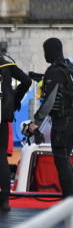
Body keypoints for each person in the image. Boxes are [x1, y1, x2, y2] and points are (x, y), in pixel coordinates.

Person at [27, 38, 73, 198]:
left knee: (62, 162)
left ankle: (68, 200)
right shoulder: (69, 68)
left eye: (45, 51)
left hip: (62, 124)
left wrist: (36, 122)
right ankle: (72, 198)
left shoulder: (54, 71)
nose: (44, 54)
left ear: (50, 51)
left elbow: (50, 100)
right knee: (66, 160)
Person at [0, 53, 32, 212]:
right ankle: (5, 199)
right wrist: (14, 99)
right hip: (2, 118)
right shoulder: (7, 66)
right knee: (1, 157)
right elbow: (27, 81)